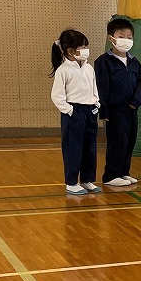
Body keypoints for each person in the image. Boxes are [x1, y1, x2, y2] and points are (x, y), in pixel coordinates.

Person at [49, 29, 101, 195]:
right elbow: (57, 96)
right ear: (70, 51)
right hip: (74, 111)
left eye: (87, 46)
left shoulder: (89, 68)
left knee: (90, 147)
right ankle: (71, 182)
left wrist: (96, 104)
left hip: (90, 110)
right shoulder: (63, 70)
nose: (86, 50)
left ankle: (87, 179)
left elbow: (94, 88)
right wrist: (70, 111)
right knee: (73, 148)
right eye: (82, 47)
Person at [94, 17, 141, 187]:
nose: (126, 40)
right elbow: (101, 87)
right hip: (115, 110)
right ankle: (111, 175)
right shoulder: (103, 62)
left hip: (131, 108)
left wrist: (136, 101)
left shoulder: (134, 61)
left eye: (129, 37)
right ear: (111, 38)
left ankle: (124, 172)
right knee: (117, 141)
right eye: (122, 36)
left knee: (130, 140)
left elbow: (140, 81)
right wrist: (104, 109)